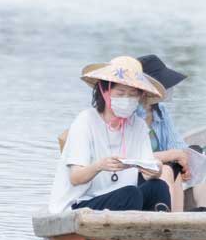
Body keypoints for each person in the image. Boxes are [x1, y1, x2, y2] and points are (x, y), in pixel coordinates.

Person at [49, 57, 184, 213]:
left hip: (123, 199)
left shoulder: (138, 126)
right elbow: (76, 177)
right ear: (105, 91)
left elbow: (147, 171)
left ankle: (159, 232)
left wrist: (156, 170)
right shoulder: (86, 121)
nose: (126, 99)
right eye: (120, 93)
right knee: (130, 194)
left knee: (158, 186)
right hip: (82, 203)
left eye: (132, 94)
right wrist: (100, 166)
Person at [133, 53, 206, 210]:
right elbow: (134, 157)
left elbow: (177, 145)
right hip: (142, 172)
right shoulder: (132, 114)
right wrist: (173, 155)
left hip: (166, 165)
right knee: (168, 170)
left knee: (201, 166)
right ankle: (174, 220)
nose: (168, 89)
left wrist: (186, 161)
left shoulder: (160, 111)